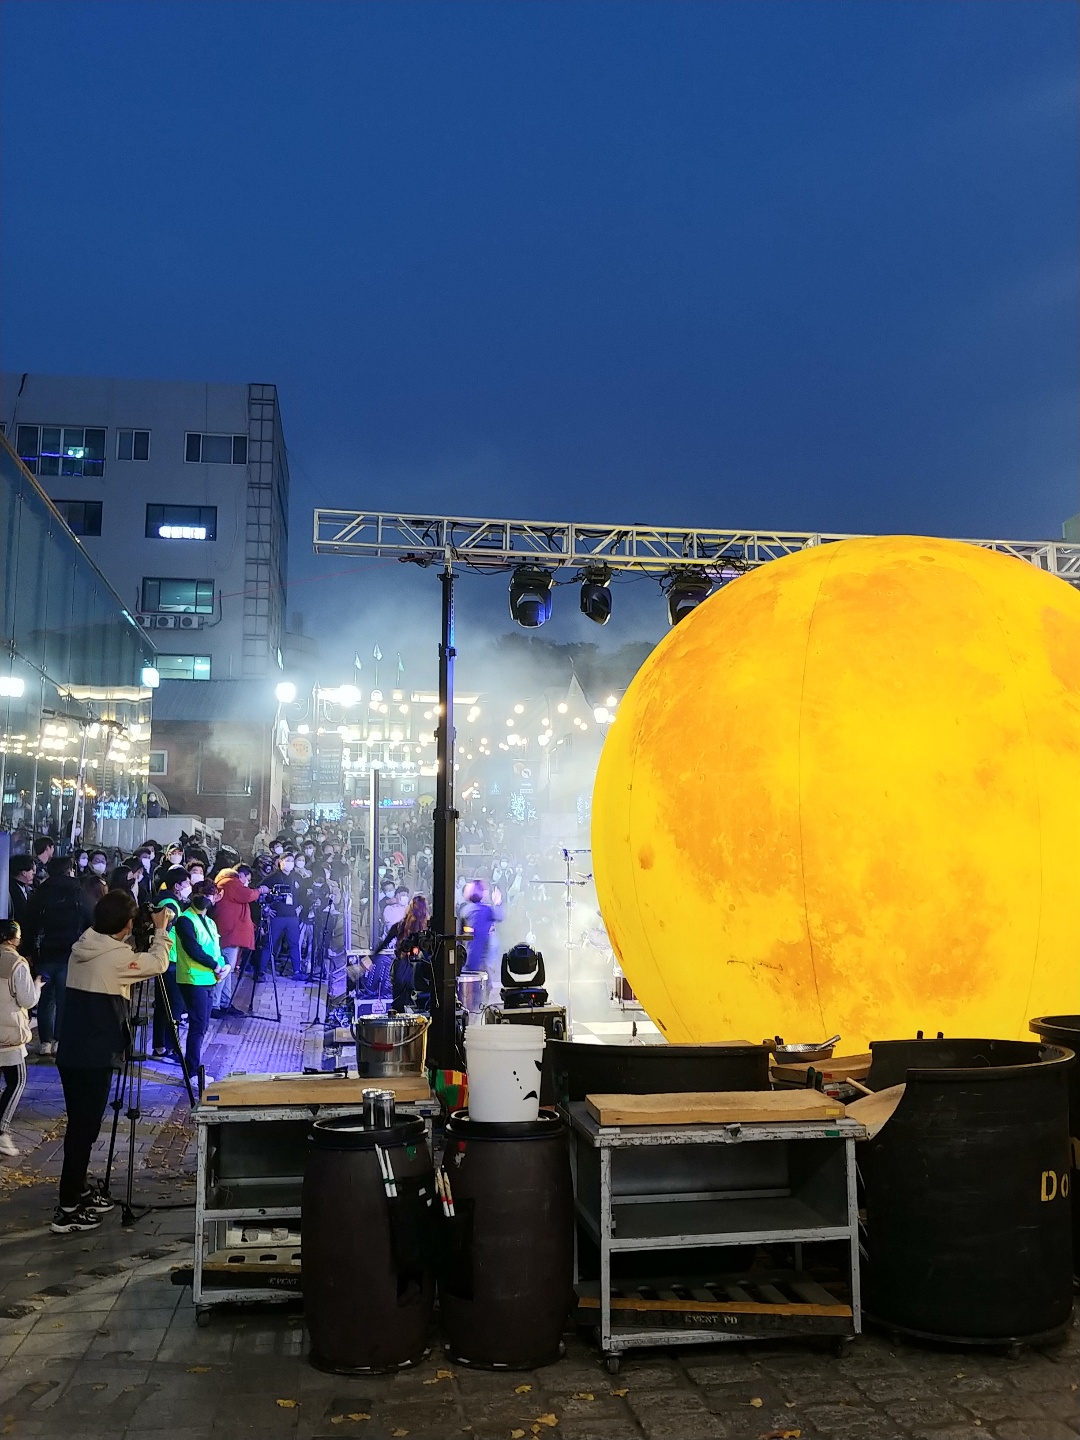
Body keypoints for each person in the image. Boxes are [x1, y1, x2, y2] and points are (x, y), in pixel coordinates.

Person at [52, 891, 172, 1232]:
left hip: (72, 1051)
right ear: (127, 925)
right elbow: (158, 964)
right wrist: (161, 931)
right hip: (95, 1056)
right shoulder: (117, 958)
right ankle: (68, 1208)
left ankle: (78, 1189)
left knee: (82, 1126)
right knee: (83, 1130)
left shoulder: (83, 946)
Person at [22, 856, 95, 1057]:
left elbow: (29, 924)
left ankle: (45, 1042)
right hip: (70, 953)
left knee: (46, 998)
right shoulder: (79, 893)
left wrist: (27, 951)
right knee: (65, 998)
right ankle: (59, 1040)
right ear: (69, 870)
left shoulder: (40, 893)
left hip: (44, 953)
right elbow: (92, 922)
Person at [174, 882, 229, 1083]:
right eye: (202, 894)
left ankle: (194, 1068)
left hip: (209, 979)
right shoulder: (185, 920)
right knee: (197, 1026)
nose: (206, 898)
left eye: (210, 895)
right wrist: (215, 965)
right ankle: (191, 1073)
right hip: (192, 979)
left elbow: (215, 948)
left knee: (203, 1025)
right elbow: (193, 950)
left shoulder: (210, 922)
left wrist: (224, 964)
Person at [0, 919, 44, 1158]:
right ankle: (1, 1130)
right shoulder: (17, 963)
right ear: (12, 938)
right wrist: (36, 986)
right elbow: (27, 1000)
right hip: (8, 1035)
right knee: (16, 1081)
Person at [211, 865, 265, 1012]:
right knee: (224, 969)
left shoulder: (225, 883)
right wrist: (260, 891)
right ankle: (215, 1004)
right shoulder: (230, 882)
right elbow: (248, 895)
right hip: (230, 934)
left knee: (228, 969)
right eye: (247, 880)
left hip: (230, 933)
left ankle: (224, 1002)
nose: (247, 884)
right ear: (240, 875)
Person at [151, 868, 190, 1058]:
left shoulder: (166, 900)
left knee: (162, 1004)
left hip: (166, 959)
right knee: (174, 1005)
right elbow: (164, 930)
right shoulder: (170, 905)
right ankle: (171, 1046)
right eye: (186, 884)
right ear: (177, 886)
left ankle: (160, 1046)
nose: (189, 887)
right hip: (171, 959)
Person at [260, 852, 304, 978]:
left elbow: (302, 894)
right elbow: (260, 892)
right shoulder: (272, 877)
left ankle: (297, 971)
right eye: (287, 860)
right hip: (277, 917)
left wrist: (300, 906)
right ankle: (261, 971)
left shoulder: (297, 877)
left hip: (292, 917)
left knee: (294, 944)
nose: (290, 863)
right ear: (281, 862)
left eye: (292, 860)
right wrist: (266, 909)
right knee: (269, 944)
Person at [458, 880, 504, 992]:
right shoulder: (486, 910)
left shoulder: (465, 910)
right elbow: (500, 916)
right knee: (483, 988)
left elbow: (460, 936)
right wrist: (498, 902)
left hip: (467, 957)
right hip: (481, 958)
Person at [8, 857, 36, 935]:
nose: (34, 873)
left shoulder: (28, 889)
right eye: (32, 870)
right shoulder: (10, 890)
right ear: (24, 873)